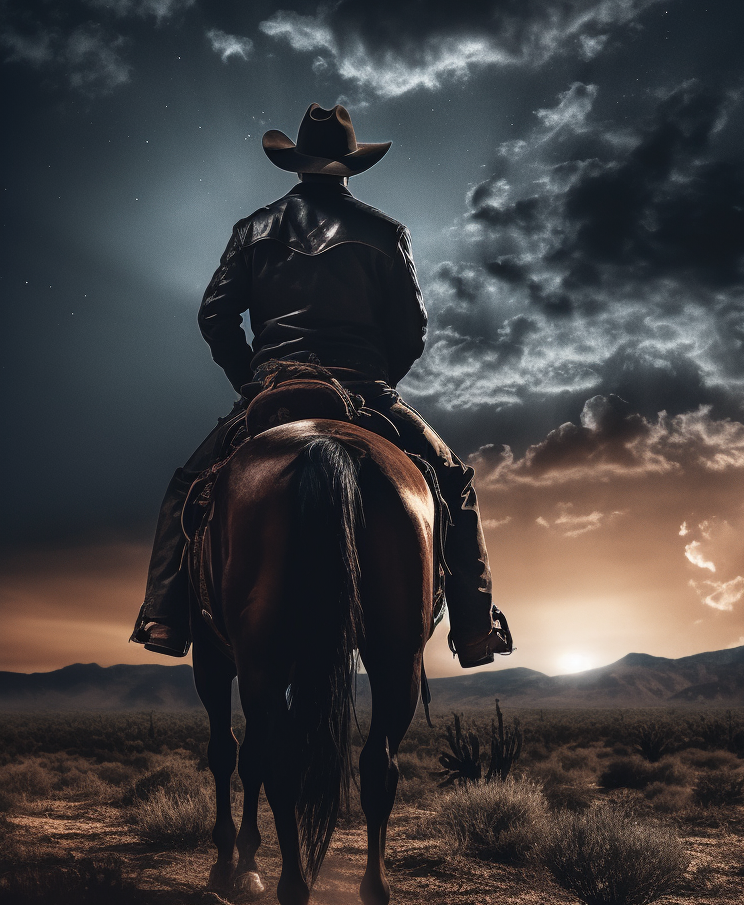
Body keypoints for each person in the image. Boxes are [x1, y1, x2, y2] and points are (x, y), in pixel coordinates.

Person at [130, 103, 512, 669]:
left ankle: (164, 614)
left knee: (189, 487)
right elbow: (413, 331)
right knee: (453, 482)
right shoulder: (385, 234)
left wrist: (252, 383)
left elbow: (215, 316)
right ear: (351, 165)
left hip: (273, 385)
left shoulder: (252, 230)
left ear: (298, 165)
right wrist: (377, 387)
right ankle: (477, 630)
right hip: (365, 391)